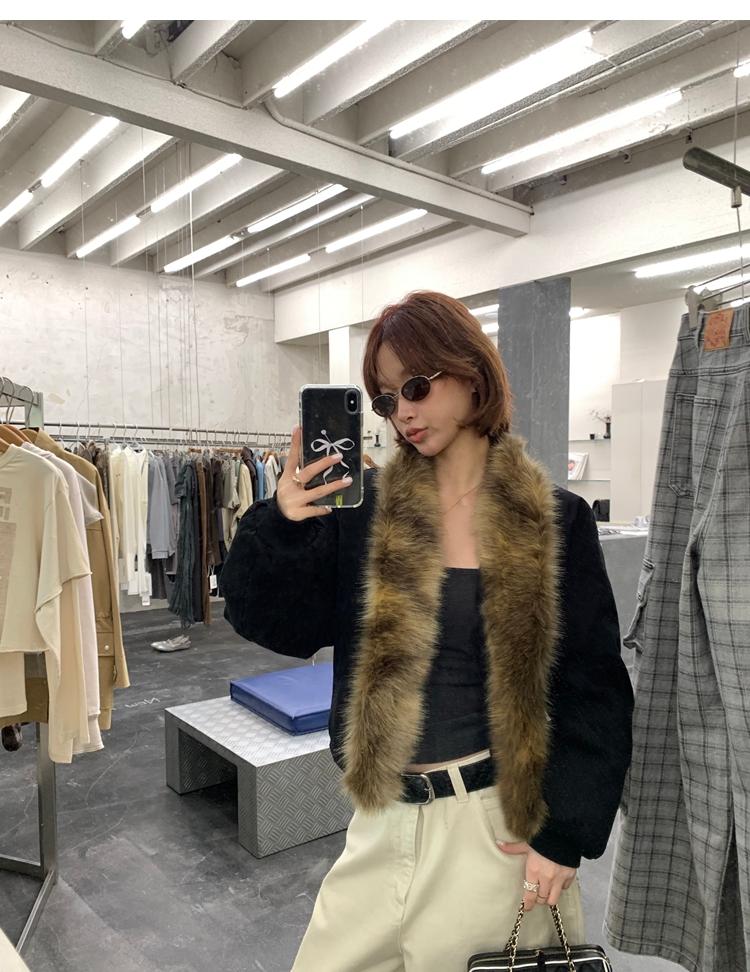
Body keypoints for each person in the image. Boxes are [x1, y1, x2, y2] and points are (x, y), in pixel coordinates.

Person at [221, 290, 634, 972]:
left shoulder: (553, 519)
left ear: (471, 373)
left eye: (416, 386)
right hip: (379, 819)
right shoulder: (364, 515)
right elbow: (276, 623)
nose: (402, 412)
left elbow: (592, 686)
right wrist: (284, 524)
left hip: (495, 827)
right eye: (386, 399)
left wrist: (563, 834)